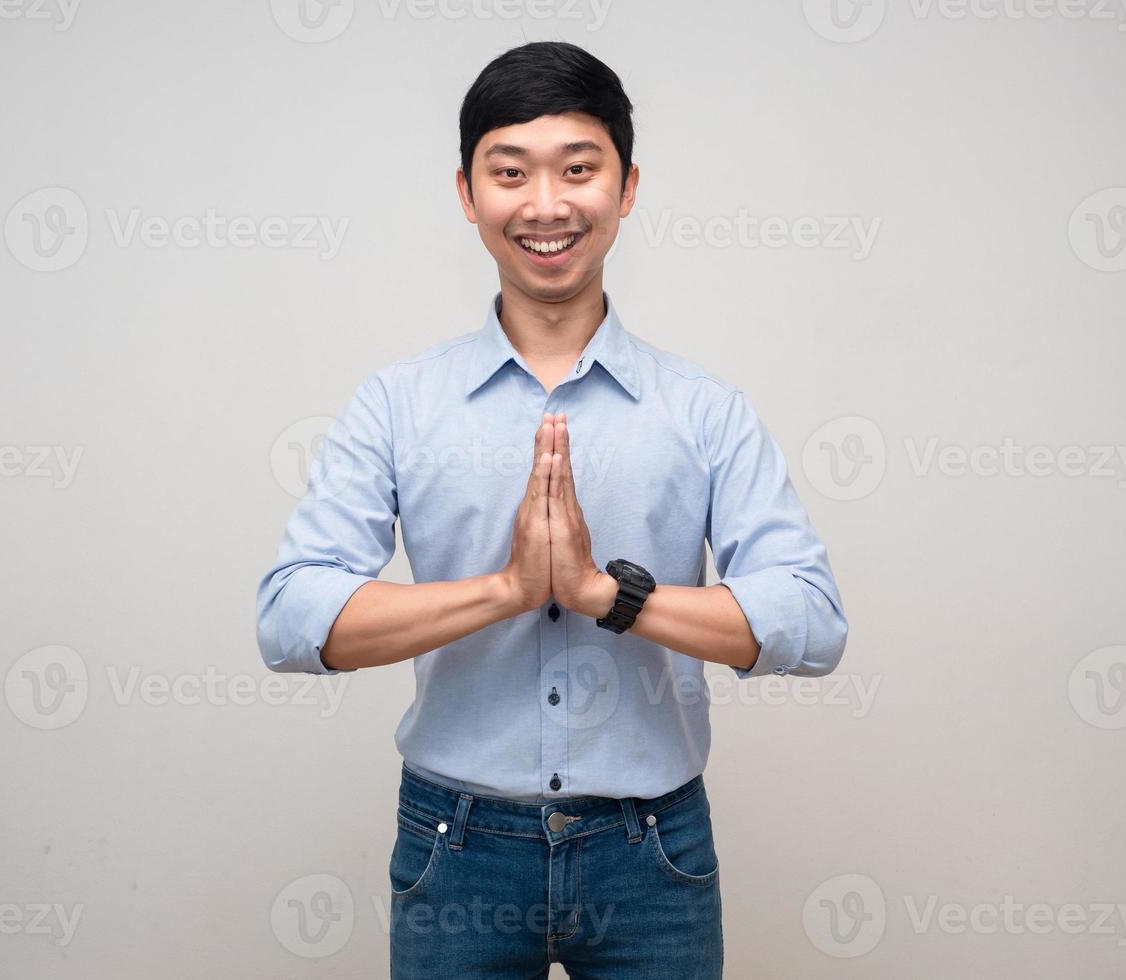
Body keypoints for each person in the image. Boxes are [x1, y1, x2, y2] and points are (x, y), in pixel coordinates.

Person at [256, 40, 849, 979]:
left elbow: (812, 625)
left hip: (651, 850)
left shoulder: (701, 409)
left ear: (625, 185)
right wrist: (505, 590)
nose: (545, 205)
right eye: (509, 172)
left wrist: (599, 593)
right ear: (466, 193)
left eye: (578, 168)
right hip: (456, 845)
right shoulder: (398, 402)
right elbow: (291, 621)